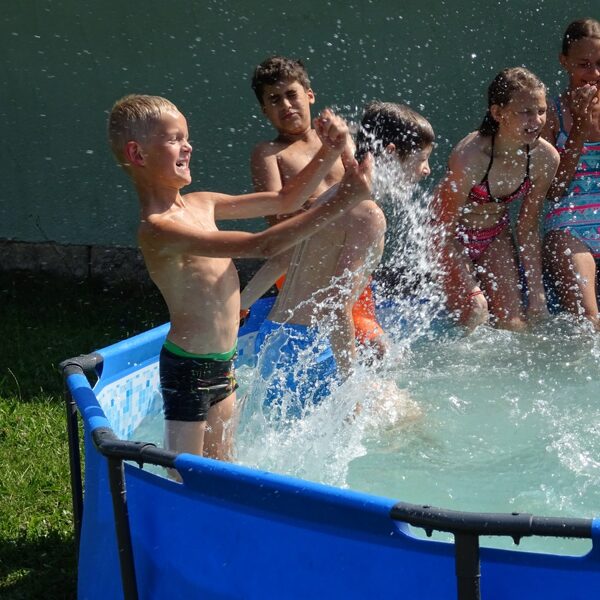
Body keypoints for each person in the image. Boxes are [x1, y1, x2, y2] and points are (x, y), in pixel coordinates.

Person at [107, 94, 372, 461]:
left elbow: (286, 199)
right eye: (174, 139)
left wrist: (330, 150)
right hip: (189, 367)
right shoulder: (158, 229)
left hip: (224, 362)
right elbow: (262, 245)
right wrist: (343, 201)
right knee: (183, 470)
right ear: (138, 154)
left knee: (224, 464)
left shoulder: (202, 203)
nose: (188, 146)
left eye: (187, 137)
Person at [240, 100, 433, 415]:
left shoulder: (331, 196)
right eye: (422, 159)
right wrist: (349, 384)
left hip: (274, 338)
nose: (426, 169)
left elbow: (282, 258)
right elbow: (337, 303)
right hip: (310, 349)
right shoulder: (368, 215)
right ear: (390, 153)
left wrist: (241, 305)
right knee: (409, 419)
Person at [249, 55, 386, 356]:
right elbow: (278, 223)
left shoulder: (338, 139)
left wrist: (347, 148)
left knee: (375, 347)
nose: (286, 105)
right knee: (317, 347)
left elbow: (365, 195)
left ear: (309, 95)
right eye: (274, 99)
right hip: (304, 264)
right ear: (264, 110)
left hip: (348, 260)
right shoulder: (269, 154)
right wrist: (328, 201)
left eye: (291, 94)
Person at [434, 67, 560, 331]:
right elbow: (441, 229)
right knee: (475, 311)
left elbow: (527, 227)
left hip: (494, 235)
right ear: (498, 113)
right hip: (449, 236)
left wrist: (537, 296)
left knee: (514, 324)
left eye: (541, 110)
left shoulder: (545, 158)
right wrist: (468, 284)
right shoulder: (470, 156)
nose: (536, 120)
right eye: (525, 111)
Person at [542, 18, 600, 328]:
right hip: (569, 225)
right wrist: (578, 126)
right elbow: (554, 190)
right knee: (588, 321)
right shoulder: (550, 113)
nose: (594, 74)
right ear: (564, 62)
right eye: (584, 65)